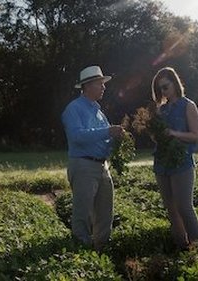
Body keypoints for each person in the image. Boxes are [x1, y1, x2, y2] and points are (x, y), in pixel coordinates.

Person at [61, 65, 125, 250]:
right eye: (100, 84)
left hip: (102, 167)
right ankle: (82, 250)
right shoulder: (73, 109)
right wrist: (107, 131)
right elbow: (77, 136)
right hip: (83, 166)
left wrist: (117, 139)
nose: (104, 87)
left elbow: (104, 140)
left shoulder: (99, 112)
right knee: (83, 212)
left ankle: (101, 248)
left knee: (105, 210)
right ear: (87, 86)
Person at [151, 66, 198, 250]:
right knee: (171, 208)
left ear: (175, 84)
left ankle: (197, 249)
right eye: (160, 89)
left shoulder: (188, 105)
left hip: (182, 163)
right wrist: (155, 133)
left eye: (165, 87)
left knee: (184, 207)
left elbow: (195, 135)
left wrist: (172, 133)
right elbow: (157, 136)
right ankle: (182, 246)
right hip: (162, 163)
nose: (163, 92)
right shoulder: (160, 110)